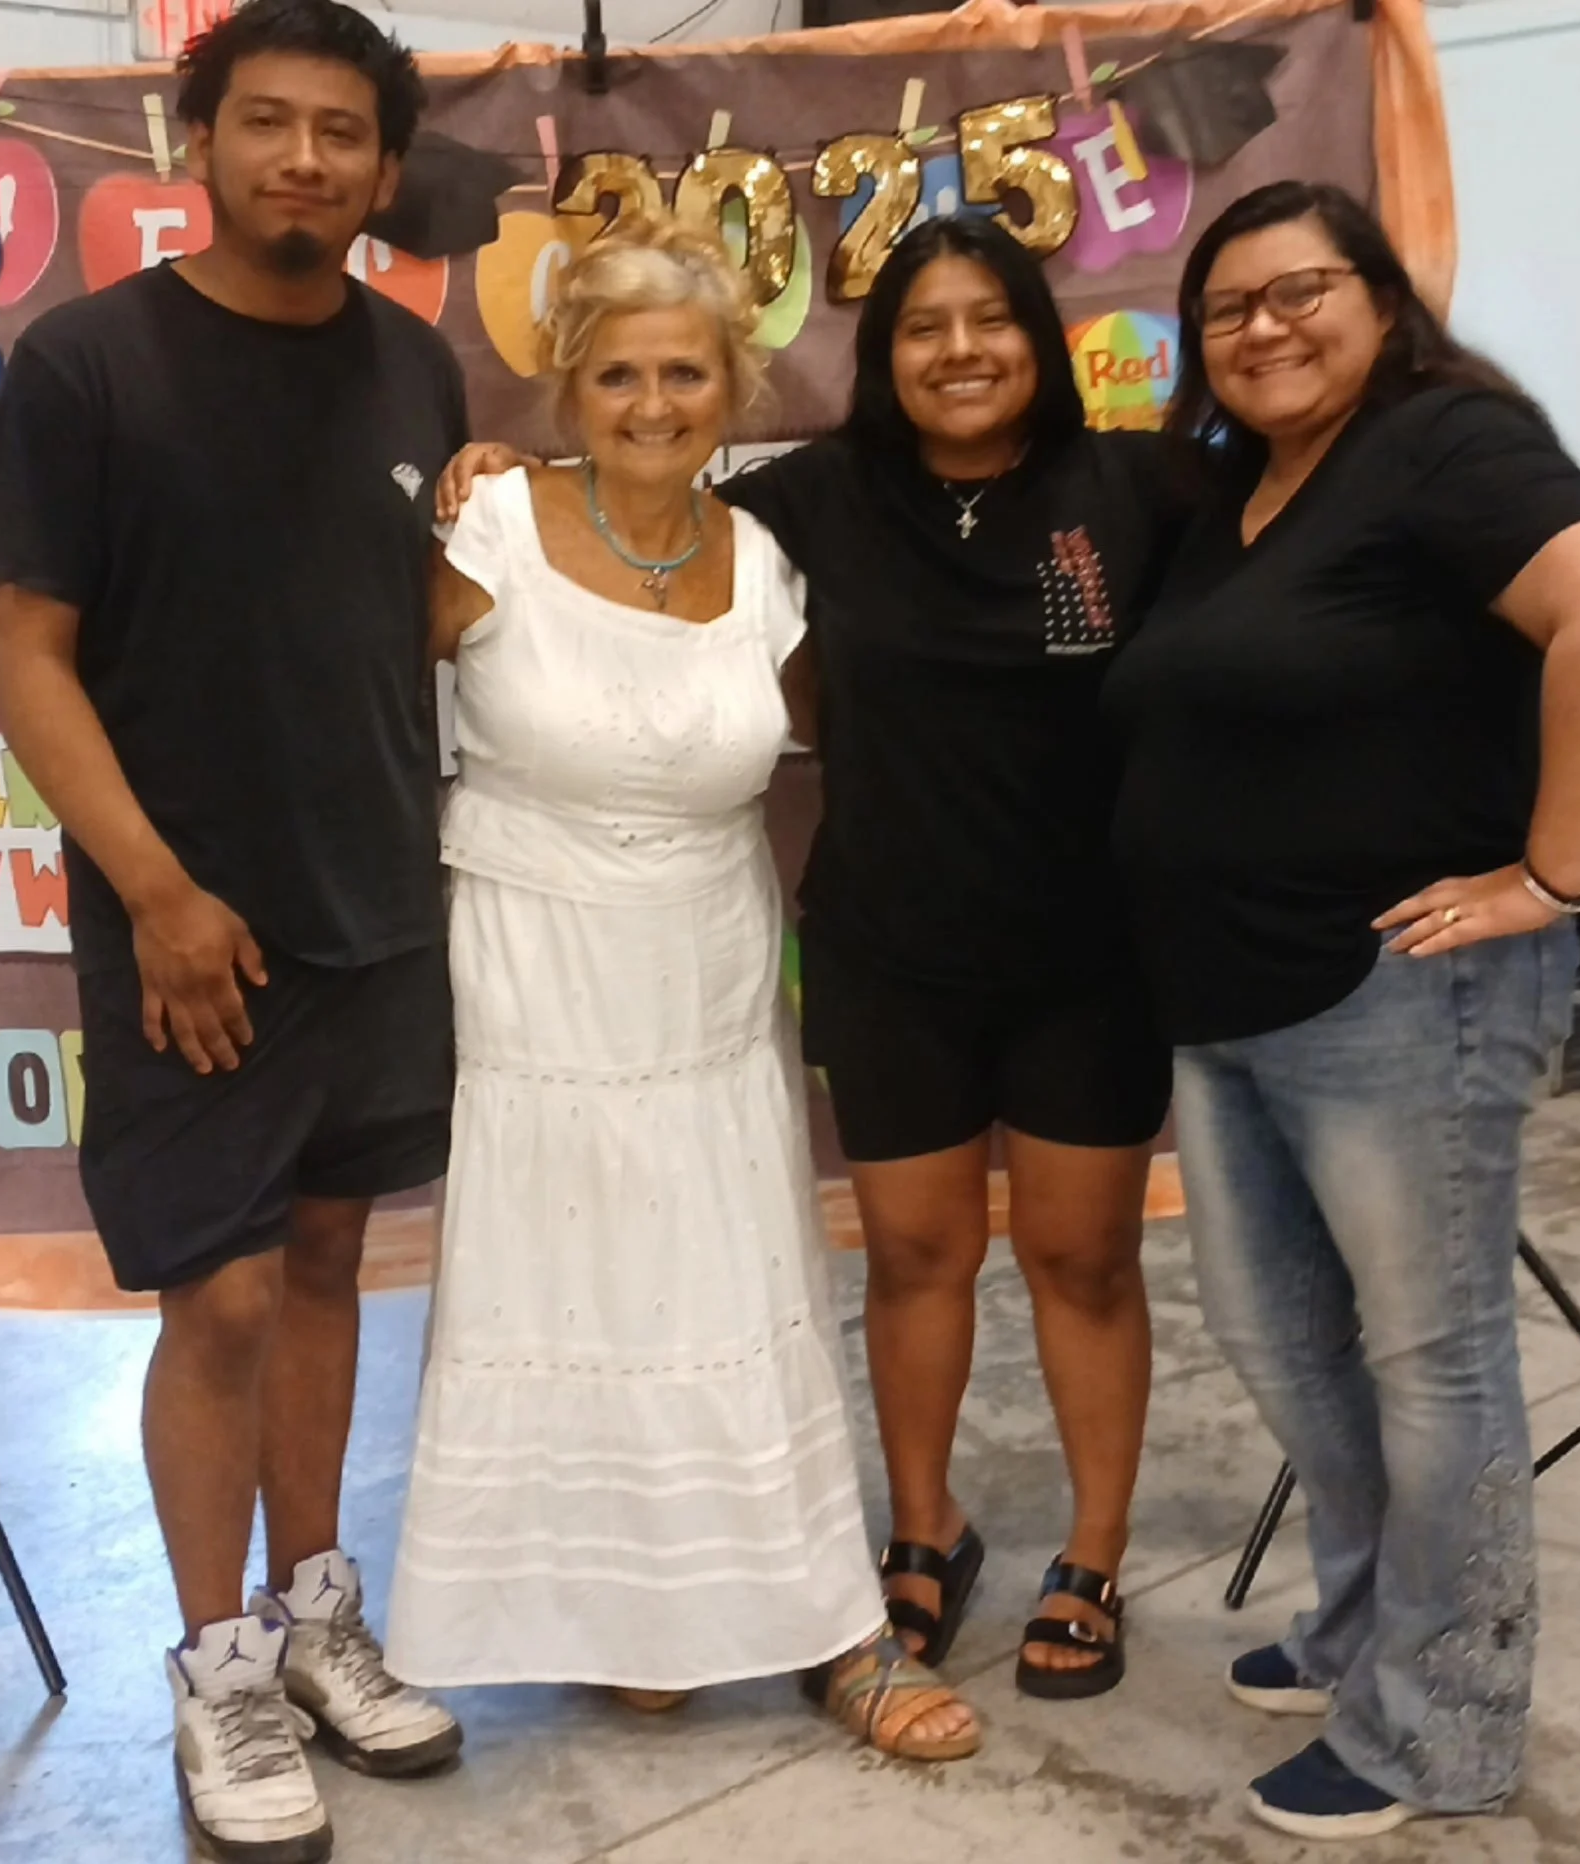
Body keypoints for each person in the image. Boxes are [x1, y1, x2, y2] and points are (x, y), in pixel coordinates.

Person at [442, 215, 1177, 1701]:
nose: (959, 352)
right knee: (912, 1256)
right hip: (889, 949)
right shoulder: (811, 503)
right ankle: (923, 1529)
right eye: (922, 327)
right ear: (879, 357)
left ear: (1039, 338)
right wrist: (500, 471)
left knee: (1083, 1257)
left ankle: (1093, 1556)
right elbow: (635, 512)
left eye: (990, 320)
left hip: (1089, 952)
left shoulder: (1138, 487)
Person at [1103, 181, 1580, 1840]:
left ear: (1380, 298)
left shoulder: (1441, 444)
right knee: (1283, 1342)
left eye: (1299, 291)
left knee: (1432, 1364)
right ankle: (1364, 1626)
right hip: (1231, 996)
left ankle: (1442, 1726)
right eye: (1228, 308)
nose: (1262, 328)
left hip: (1398, 998)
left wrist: (1552, 876)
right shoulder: (1238, 492)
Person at [0, 4, 468, 1858]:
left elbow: (402, 616)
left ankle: (317, 1615)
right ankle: (218, 1670)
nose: (304, 159)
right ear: (201, 141)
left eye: (341, 132)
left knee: (329, 1264)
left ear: (384, 169)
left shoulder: (417, 368)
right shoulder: (88, 365)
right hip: (187, 924)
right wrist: (157, 893)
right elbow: (26, 655)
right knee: (226, 1292)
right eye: (267, 122)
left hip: (377, 906)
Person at [383, 218, 978, 1763]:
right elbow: (351, 710)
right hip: (534, 962)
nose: (654, 404)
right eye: (620, 376)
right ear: (567, 390)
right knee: (569, 1283)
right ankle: (625, 1616)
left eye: (685, 375)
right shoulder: (491, 531)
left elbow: (870, 728)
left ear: (733, 388)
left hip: (708, 967)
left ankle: (829, 1628)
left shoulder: (767, 561)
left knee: (729, 1280)